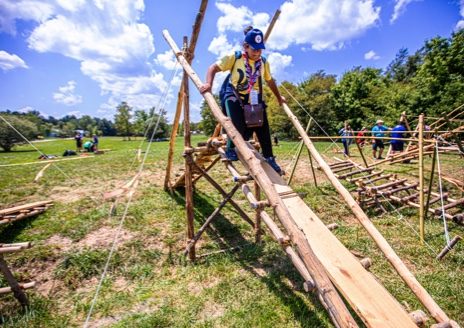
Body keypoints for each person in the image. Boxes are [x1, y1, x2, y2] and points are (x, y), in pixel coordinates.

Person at [199, 26, 286, 174]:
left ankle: (270, 158)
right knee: (236, 123)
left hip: (252, 97)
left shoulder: (263, 62)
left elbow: (270, 81)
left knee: (263, 125)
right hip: (233, 94)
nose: (257, 53)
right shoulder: (236, 57)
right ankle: (230, 148)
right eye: (254, 49)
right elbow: (212, 68)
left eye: (260, 49)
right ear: (246, 46)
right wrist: (208, 84)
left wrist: (279, 98)